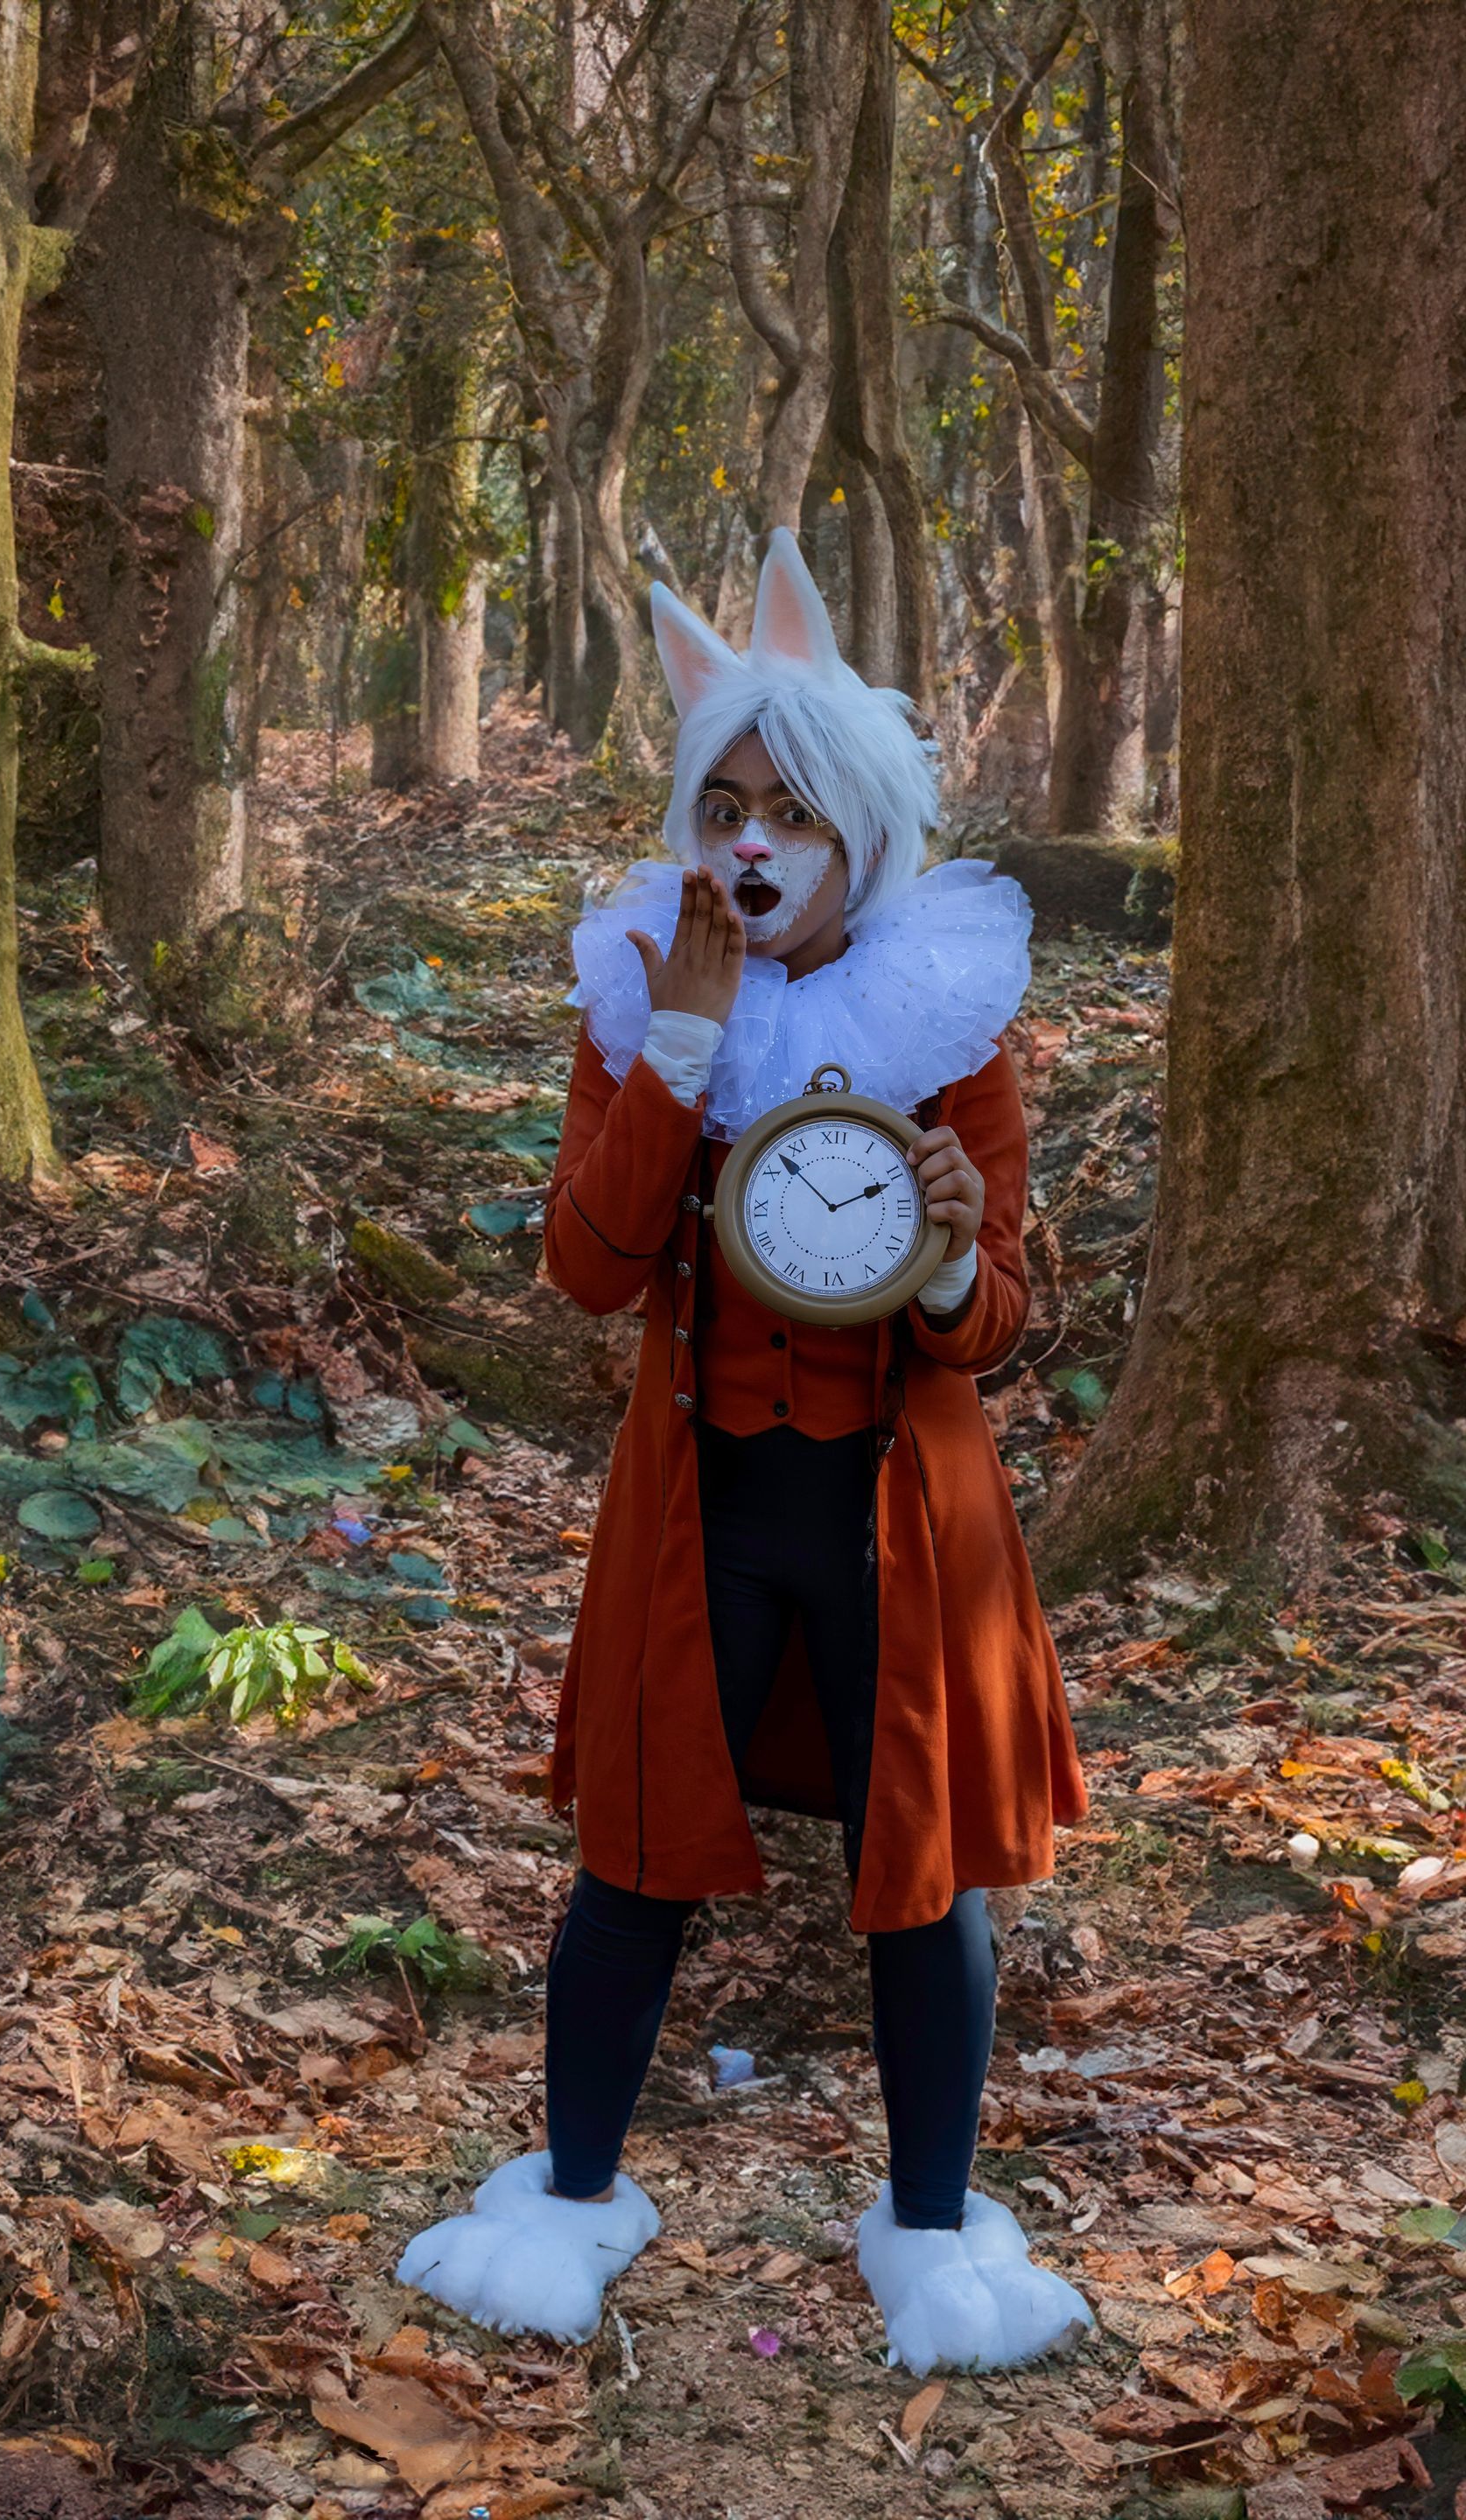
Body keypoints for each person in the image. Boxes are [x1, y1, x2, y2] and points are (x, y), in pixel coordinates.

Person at [398, 528, 1092, 2375]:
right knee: (631, 1854)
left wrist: (949, 1244)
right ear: (695, 826)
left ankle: (935, 2238)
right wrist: (681, 1053)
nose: (755, 841)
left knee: (927, 1868)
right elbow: (590, 1265)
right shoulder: (640, 1002)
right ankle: (567, 2199)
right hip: (699, 1502)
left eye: (792, 806)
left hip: (898, 1524)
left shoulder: (948, 1022)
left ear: (861, 827)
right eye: (726, 803)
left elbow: (1003, 1326)